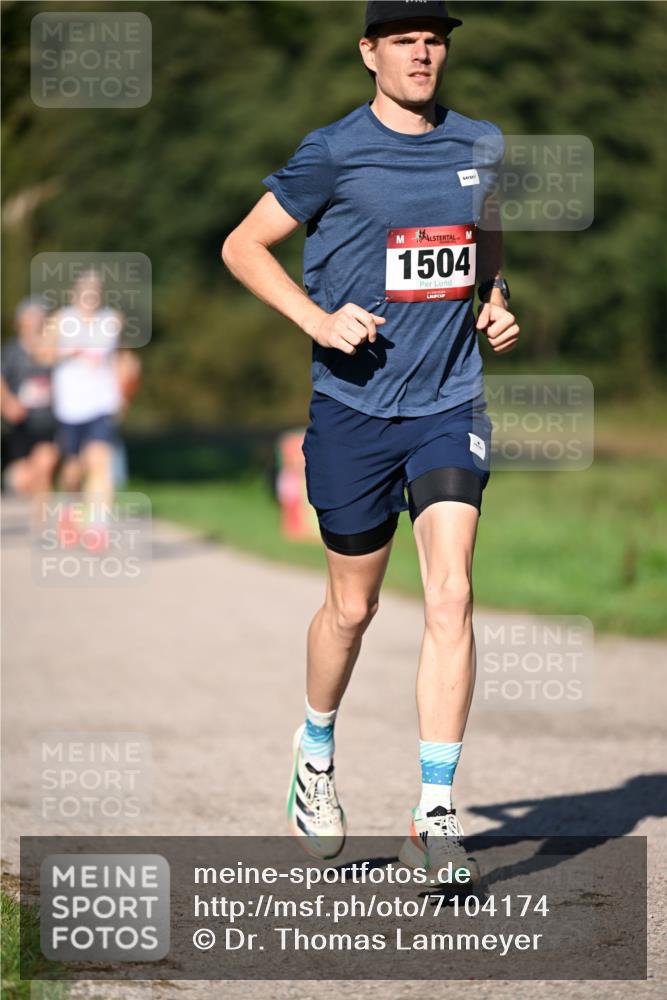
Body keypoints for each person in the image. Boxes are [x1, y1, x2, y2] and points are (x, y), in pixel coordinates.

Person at [222, 1, 520, 882]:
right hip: (351, 409)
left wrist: (493, 300)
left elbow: (482, 237)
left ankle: (434, 816)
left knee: (451, 594)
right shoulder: (333, 151)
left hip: (447, 402)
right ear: (369, 53)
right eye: (405, 40)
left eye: (435, 39)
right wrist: (315, 317)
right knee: (351, 609)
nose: (423, 53)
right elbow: (243, 247)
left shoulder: (480, 143)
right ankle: (314, 756)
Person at [46, 269, 124, 548]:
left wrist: (121, 394)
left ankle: (98, 527)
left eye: (95, 291)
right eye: (85, 291)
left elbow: (120, 359)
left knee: (100, 463)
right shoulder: (61, 320)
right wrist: (70, 351)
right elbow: (43, 354)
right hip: (69, 406)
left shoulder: (111, 321)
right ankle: (70, 511)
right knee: (72, 472)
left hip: (101, 404)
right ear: (74, 294)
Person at [1, 299, 59, 496]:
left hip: (48, 424)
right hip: (21, 427)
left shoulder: (54, 351)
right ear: (20, 323)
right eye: (31, 318)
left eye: (40, 318)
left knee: (44, 464)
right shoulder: (11, 352)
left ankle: (43, 521)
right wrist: (7, 402)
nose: (35, 322)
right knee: (21, 480)